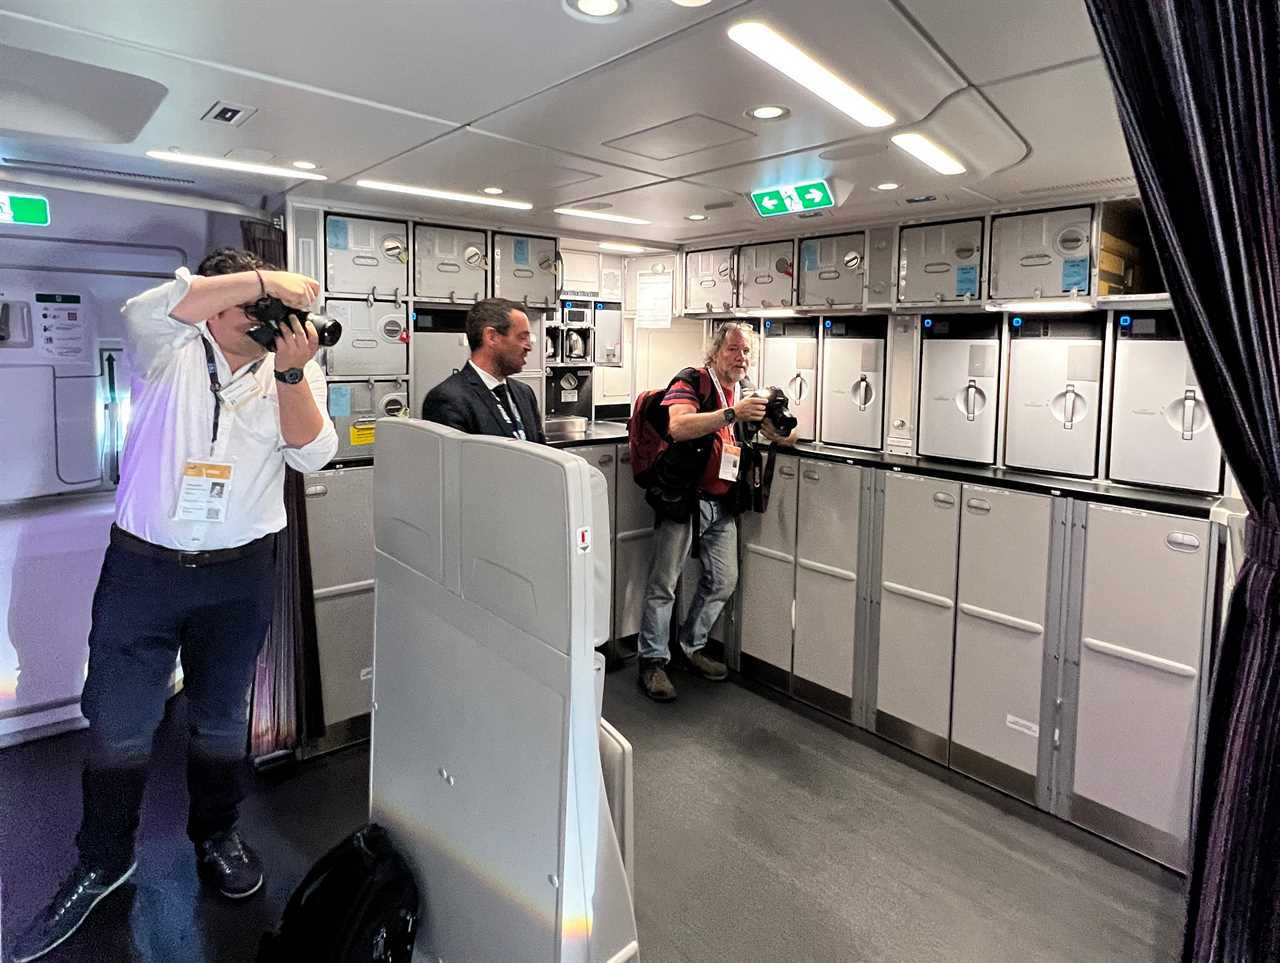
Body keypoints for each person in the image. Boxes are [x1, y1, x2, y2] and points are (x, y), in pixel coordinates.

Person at [10, 249, 337, 963]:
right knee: (120, 723)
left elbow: (314, 455)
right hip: (145, 570)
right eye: (249, 304)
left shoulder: (294, 366)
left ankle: (215, 833)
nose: (265, 317)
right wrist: (268, 282)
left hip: (240, 574)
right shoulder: (171, 344)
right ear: (213, 305)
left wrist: (288, 372)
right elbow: (142, 307)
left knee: (221, 720)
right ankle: (103, 858)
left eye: (270, 306)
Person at [636, 322, 796, 702]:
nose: (740, 358)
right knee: (664, 583)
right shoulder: (692, 380)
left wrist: (776, 426)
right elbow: (677, 425)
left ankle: (691, 646)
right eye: (733, 350)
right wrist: (732, 414)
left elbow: (788, 435)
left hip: (722, 502)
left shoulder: (746, 391)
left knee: (724, 580)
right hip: (684, 499)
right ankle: (653, 661)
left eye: (745, 352)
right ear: (715, 352)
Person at [420, 298, 546, 444]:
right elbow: (454, 463)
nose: (529, 347)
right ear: (491, 337)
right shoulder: (448, 399)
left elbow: (543, 451)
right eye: (522, 337)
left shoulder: (524, 393)